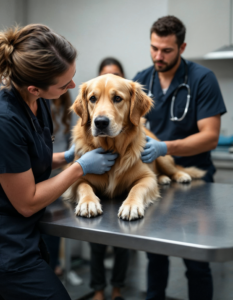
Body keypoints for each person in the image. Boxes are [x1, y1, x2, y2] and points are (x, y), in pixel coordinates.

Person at [0, 24, 118, 300]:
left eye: (73, 76)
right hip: (7, 246)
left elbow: (28, 161)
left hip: (28, 235)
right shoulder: (5, 121)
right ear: (35, 88)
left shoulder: (38, 102)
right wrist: (79, 167)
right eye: (65, 84)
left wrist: (66, 157)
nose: (73, 87)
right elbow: (27, 201)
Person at [133, 16, 227, 300]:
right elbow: (133, 128)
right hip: (155, 181)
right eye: (154, 48)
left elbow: (210, 135)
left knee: (196, 262)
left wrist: (166, 148)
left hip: (195, 183)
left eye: (166, 50)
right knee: (155, 257)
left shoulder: (202, 79)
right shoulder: (140, 80)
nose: (158, 56)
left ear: (182, 47)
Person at [88, 57, 129, 300]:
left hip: (124, 192)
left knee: (123, 244)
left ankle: (117, 290)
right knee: (95, 244)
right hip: (99, 193)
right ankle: (98, 291)